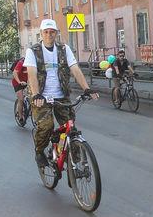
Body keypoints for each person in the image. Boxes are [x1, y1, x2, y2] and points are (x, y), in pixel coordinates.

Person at [24, 19, 99, 168]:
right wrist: (36, 94)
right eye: (46, 32)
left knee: (70, 128)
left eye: (52, 32)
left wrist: (87, 89)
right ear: (41, 34)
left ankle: (74, 162)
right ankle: (39, 152)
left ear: (56, 33)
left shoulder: (64, 49)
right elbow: (31, 74)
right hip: (41, 97)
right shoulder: (33, 51)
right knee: (46, 126)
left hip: (61, 96)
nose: (49, 35)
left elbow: (75, 68)